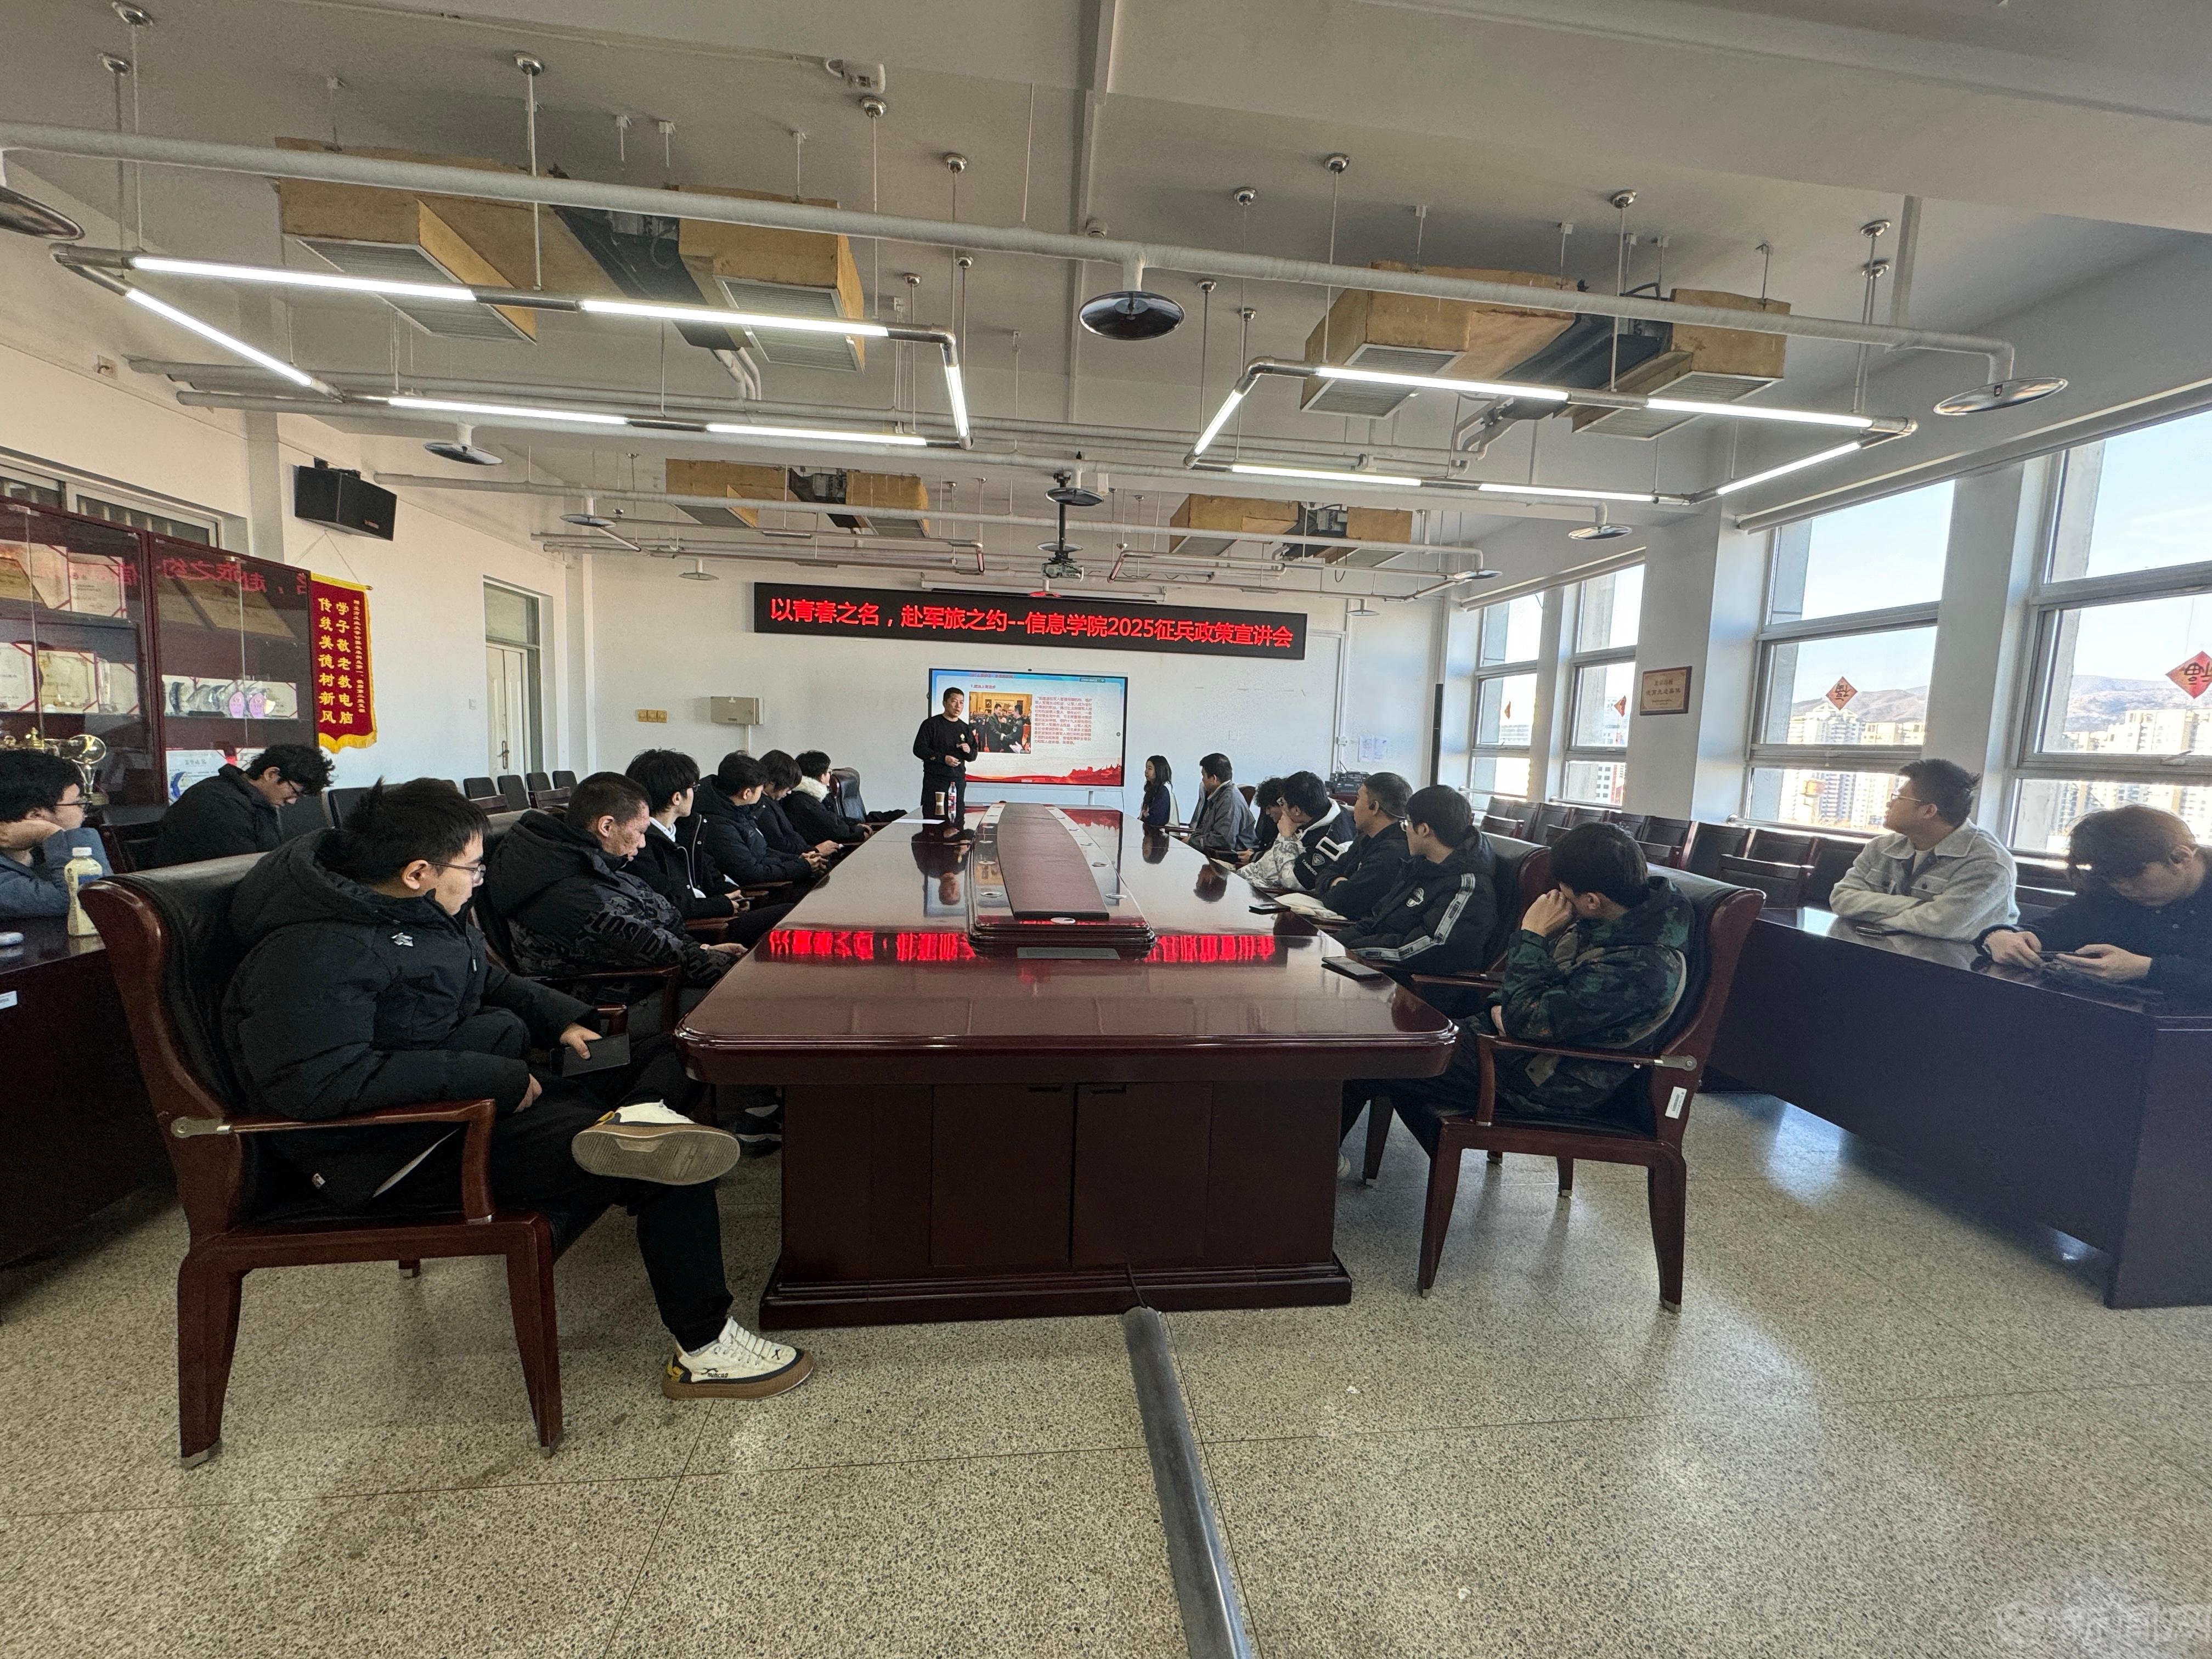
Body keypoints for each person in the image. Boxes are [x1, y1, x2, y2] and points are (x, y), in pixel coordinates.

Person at [222, 779, 810, 1399]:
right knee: (669, 1164)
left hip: (491, 1087)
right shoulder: (311, 949)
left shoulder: (414, 913)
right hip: (418, 1141)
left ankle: (636, 1116)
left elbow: (489, 980)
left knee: (670, 1049)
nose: (479, 881)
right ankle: (706, 1349)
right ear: (418, 872)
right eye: (473, 869)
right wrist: (495, 1078)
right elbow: (319, 1083)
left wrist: (564, 1017)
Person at [1346, 822, 1694, 1141]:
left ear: (1591, 901)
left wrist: (1532, 936)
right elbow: (1518, 996)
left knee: (1364, 1058)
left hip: (1540, 1080)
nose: (1557, 899)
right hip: (1510, 1049)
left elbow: (1525, 1019)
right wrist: (1503, 1009)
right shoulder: (1608, 920)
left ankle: (1321, 1169)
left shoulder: (1642, 967)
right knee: (1362, 1045)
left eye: (1565, 892)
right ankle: (1327, 1162)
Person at [484, 772, 746, 993]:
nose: (642, 843)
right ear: (607, 826)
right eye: (640, 832)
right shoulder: (569, 891)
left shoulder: (584, 860)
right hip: (617, 1001)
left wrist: (703, 948)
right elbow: (649, 946)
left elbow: (659, 929)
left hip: (655, 974)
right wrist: (723, 962)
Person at [1982, 806, 2212, 996]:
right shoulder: (2111, 885)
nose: (2122, 887)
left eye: (2132, 875)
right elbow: (2060, 926)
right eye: (2110, 878)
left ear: (2180, 858)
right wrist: (2000, 935)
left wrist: (2148, 969)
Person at [1828, 758, 2017, 940]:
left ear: (1928, 811)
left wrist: (1871, 912)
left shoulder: (1987, 863)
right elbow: (1841, 899)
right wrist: (1920, 907)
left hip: (1951, 960)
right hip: (1878, 951)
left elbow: (1941, 924)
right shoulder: (1881, 847)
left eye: (1899, 797)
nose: (1889, 803)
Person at [624, 749, 794, 947]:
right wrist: (721, 904)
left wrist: (734, 894)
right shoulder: (642, 846)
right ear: (676, 798)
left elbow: (711, 876)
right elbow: (670, 907)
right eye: (692, 787)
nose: (696, 793)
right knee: (788, 916)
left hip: (713, 915)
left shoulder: (688, 830)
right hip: (696, 931)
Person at [1335, 784, 1498, 974]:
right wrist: (1335, 943)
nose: (1405, 831)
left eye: (1407, 824)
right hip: (1378, 965)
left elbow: (1429, 947)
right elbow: (1378, 919)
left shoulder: (1468, 886)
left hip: (1413, 981)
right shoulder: (1420, 866)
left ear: (1423, 829)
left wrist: (1351, 951)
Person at [150, 742, 332, 867]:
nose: (292, 801)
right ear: (271, 774)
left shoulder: (252, 800)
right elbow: (240, 869)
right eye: (294, 792)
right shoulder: (218, 802)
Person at [0, 750, 110, 918]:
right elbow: (88, 900)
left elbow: (110, 894)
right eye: (77, 803)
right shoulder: (52, 841)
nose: (84, 811)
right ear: (35, 816)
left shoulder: (42, 852)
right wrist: (51, 832)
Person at [691, 753, 822, 889]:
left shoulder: (738, 809)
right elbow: (750, 873)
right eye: (760, 789)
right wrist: (802, 867)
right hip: (753, 889)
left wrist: (798, 860)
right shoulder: (718, 824)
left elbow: (762, 851)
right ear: (747, 793)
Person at [1312, 771, 1413, 923]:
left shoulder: (1392, 853)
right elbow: (1323, 875)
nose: (1354, 805)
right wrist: (1337, 883)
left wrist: (1337, 884)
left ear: (1375, 807)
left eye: (1358, 798)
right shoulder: (1365, 838)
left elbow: (1341, 901)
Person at [1242, 772, 1351, 894]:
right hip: (1256, 873)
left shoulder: (1330, 843)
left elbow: (1291, 881)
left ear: (1297, 810)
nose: (1282, 808)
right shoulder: (1315, 810)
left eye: (1283, 803)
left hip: (1273, 891)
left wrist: (1285, 838)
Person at [758, 750, 844, 859]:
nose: (789, 792)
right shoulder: (763, 808)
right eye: (787, 787)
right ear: (773, 781)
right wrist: (814, 851)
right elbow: (779, 844)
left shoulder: (774, 801)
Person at [913, 685, 978, 821]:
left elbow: (973, 756)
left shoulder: (965, 728)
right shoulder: (931, 724)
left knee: (957, 820)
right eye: (954, 701)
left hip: (957, 780)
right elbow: (919, 749)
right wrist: (943, 759)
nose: (958, 706)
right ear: (945, 703)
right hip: (935, 781)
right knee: (932, 819)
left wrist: (968, 750)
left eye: (962, 703)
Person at [785, 751, 868, 845]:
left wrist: (855, 824)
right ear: (821, 777)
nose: (830, 775)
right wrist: (860, 832)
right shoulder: (802, 801)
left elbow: (835, 819)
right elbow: (834, 830)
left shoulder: (813, 796)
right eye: (829, 772)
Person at [1187, 753, 1257, 856]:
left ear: (1214, 779)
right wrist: (1192, 839)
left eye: (1203, 776)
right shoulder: (1219, 795)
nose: (1202, 780)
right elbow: (1203, 829)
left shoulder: (1229, 799)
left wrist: (1192, 841)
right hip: (1212, 852)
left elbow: (1223, 840)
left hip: (1231, 857)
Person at [1140, 755, 1177, 832]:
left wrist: (1146, 816)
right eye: (1146, 768)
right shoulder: (1153, 789)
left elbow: (1156, 820)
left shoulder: (1164, 791)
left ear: (1159, 771)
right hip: (1152, 830)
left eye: (1150, 769)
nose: (1146, 771)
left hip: (1164, 834)